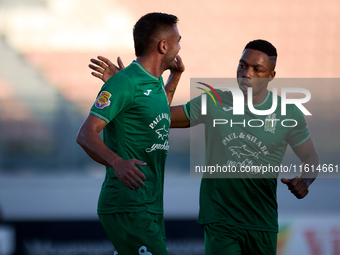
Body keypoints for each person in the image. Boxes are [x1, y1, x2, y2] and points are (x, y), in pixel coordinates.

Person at [89, 39, 319, 255]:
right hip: (220, 220)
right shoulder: (215, 102)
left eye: (256, 69)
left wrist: (305, 180)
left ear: (271, 75)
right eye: (242, 65)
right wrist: (127, 90)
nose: (246, 74)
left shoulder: (288, 113)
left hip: (262, 222)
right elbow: (158, 116)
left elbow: (311, 159)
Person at [77, 12, 184, 255]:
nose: (179, 47)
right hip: (128, 203)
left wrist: (175, 77)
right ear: (163, 45)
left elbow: (157, 116)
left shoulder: (155, 81)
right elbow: (85, 134)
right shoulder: (124, 83)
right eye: (178, 41)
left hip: (151, 203)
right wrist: (117, 162)